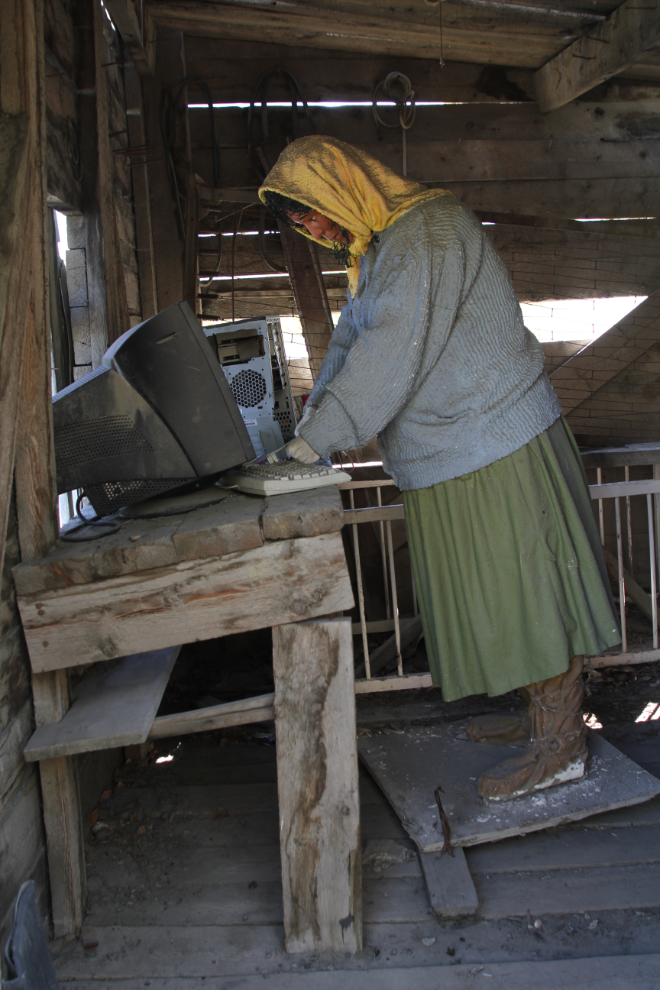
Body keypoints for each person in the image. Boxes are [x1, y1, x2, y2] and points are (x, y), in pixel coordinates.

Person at [259, 135, 620, 802]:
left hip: (494, 444)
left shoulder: (428, 231)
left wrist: (317, 442)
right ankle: (539, 720)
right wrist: (312, 434)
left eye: (309, 208)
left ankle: (562, 742)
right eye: (296, 220)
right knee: (501, 595)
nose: (309, 227)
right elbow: (352, 344)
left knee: (527, 588)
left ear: (341, 183)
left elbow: (389, 352)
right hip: (457, 451)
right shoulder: (382, 252)